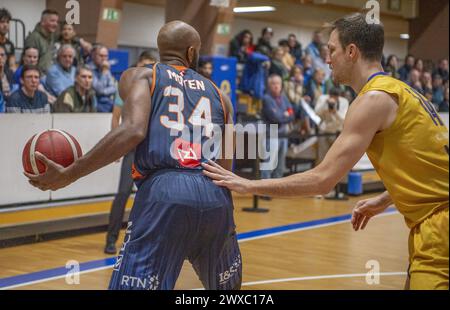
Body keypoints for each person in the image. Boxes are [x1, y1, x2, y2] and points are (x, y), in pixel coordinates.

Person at [203, 12, 449, 290]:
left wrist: (248, 185)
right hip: (433, 222)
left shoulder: (373, 100)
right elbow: (430, 166)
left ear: (352, 51)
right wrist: (385, 199)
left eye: (332, 50)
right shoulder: (403, 91)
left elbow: (323, 180)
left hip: (440, 228)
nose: (327, 59)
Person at [25, 20, 241, 291]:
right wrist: (225, 216)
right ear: (191, 52)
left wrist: (71, 173)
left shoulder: (141, 76)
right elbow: (226, 168)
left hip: (165, 194)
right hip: (215, 196)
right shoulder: (222, 96)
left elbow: (133, 130)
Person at [104, 52, 157, 255]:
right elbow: (115, 117)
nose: (146, 68)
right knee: (123, 192)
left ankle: (146, 241)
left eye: (150, 65)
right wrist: (117, 144)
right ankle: (111, 239)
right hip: (132, 147)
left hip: (151, 147)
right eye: (144, 64)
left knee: (151, 196)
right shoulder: (127, 86)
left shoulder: (156, 87)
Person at [24, 9, 59, 74]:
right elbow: (29, 64)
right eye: (52, 21)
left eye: (56, 21)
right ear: (42, 22)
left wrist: (80, 41)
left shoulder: (52, 36)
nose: (55, 24)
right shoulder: (33, 38)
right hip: (38, 78)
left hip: (51, 77)